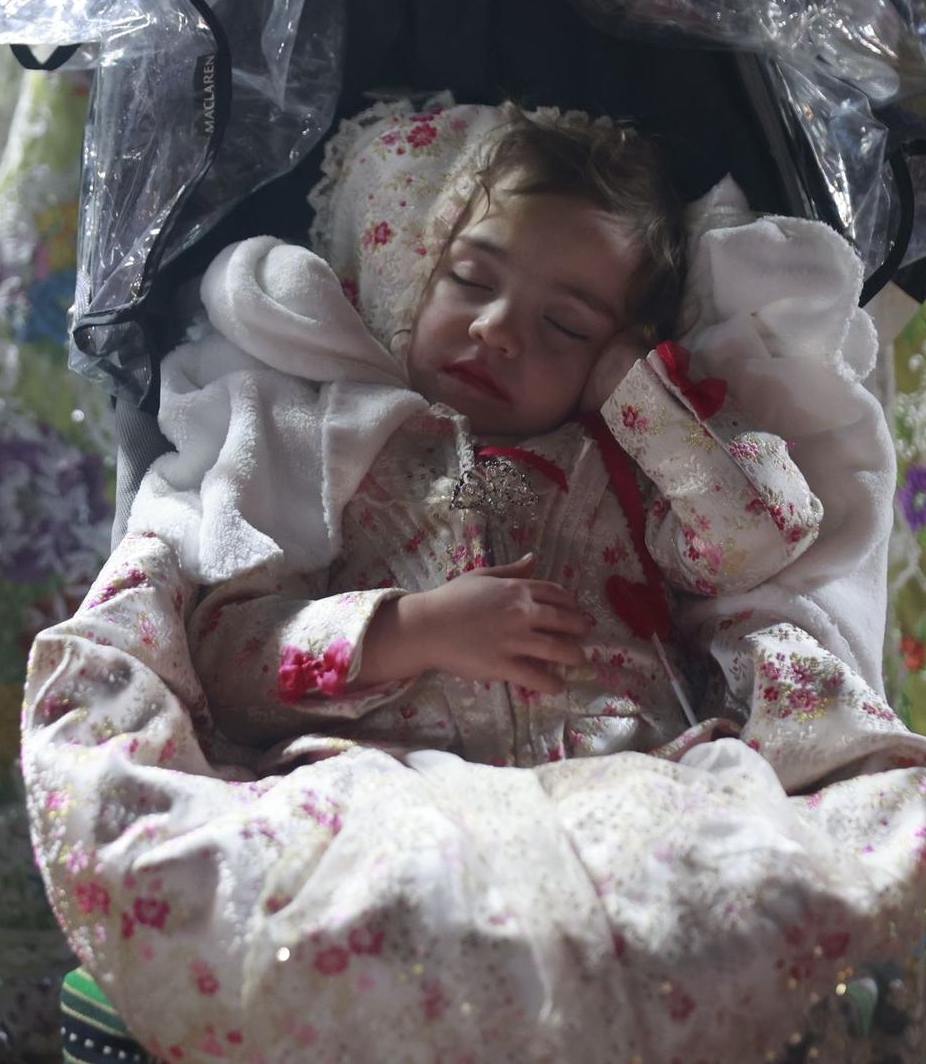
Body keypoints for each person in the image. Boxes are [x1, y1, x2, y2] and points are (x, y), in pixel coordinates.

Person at [152, 97, 825, 767]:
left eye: (565, 325)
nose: (496, 329)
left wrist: (642, 393)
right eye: (471, 278)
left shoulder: (630, 472)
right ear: (416, 274)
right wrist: (410, 631)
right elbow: (226, 670)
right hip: (394, 795)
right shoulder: (339, 449)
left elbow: (763, 535)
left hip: (621, 787)